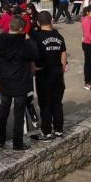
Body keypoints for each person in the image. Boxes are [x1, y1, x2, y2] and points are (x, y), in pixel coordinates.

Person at [0, 17, 37, 151]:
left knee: (3, 111)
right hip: (20, 82)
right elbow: (35, 54)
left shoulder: (0, 40)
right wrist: (29, 40)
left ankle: (0, 140)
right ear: (21, 29)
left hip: (5, 81)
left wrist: (1, 71)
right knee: (19, 114)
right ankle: (17, 143)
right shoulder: (23, 42)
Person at [30, 11, 67, 140]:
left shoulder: (36, 36)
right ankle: (59, 130)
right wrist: (61, 71)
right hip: (57, 73)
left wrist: (33, 69)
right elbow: (63, 55)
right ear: (51, 21)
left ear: (38, 23)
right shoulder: (59, 36)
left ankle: (46, 131)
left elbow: (32, 55)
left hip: (43, 74)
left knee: (45, 103)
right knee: (57, 102)